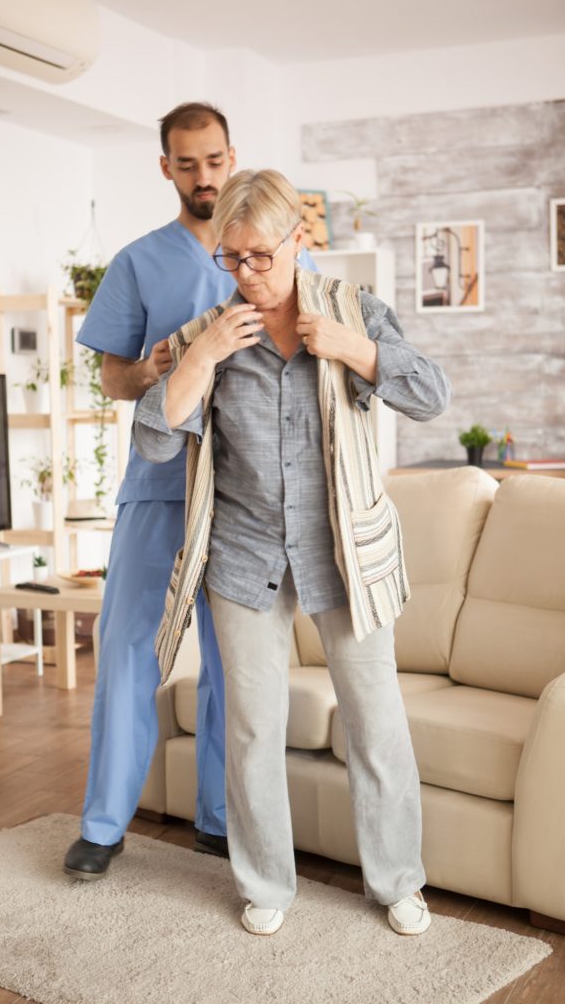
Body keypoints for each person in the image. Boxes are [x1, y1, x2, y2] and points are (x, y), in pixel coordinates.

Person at [133, 169, 452, 937]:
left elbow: (431, 394)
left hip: (344, 554)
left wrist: (356, 350)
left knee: (376, 722)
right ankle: (266, 885)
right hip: (243, 559)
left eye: (260, 257)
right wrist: (200, 358)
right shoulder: (210, 332)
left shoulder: (357, 312)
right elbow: (150, 437)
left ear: (297, 242)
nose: (247, 275)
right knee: (250, 730)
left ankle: (399, 882)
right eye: (231, 259)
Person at [64, 105, 316, 880]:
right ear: (165, 168)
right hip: (160, 488)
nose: (204, 177)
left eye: (214, 161)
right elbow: (110, 375)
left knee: (230, 663)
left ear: (231, 155)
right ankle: (104, 826)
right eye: (188, 164)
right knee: (130, 652)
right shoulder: (141, 263)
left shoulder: (272, 255)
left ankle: (216, 817)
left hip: (243, 503)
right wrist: (162, 363)